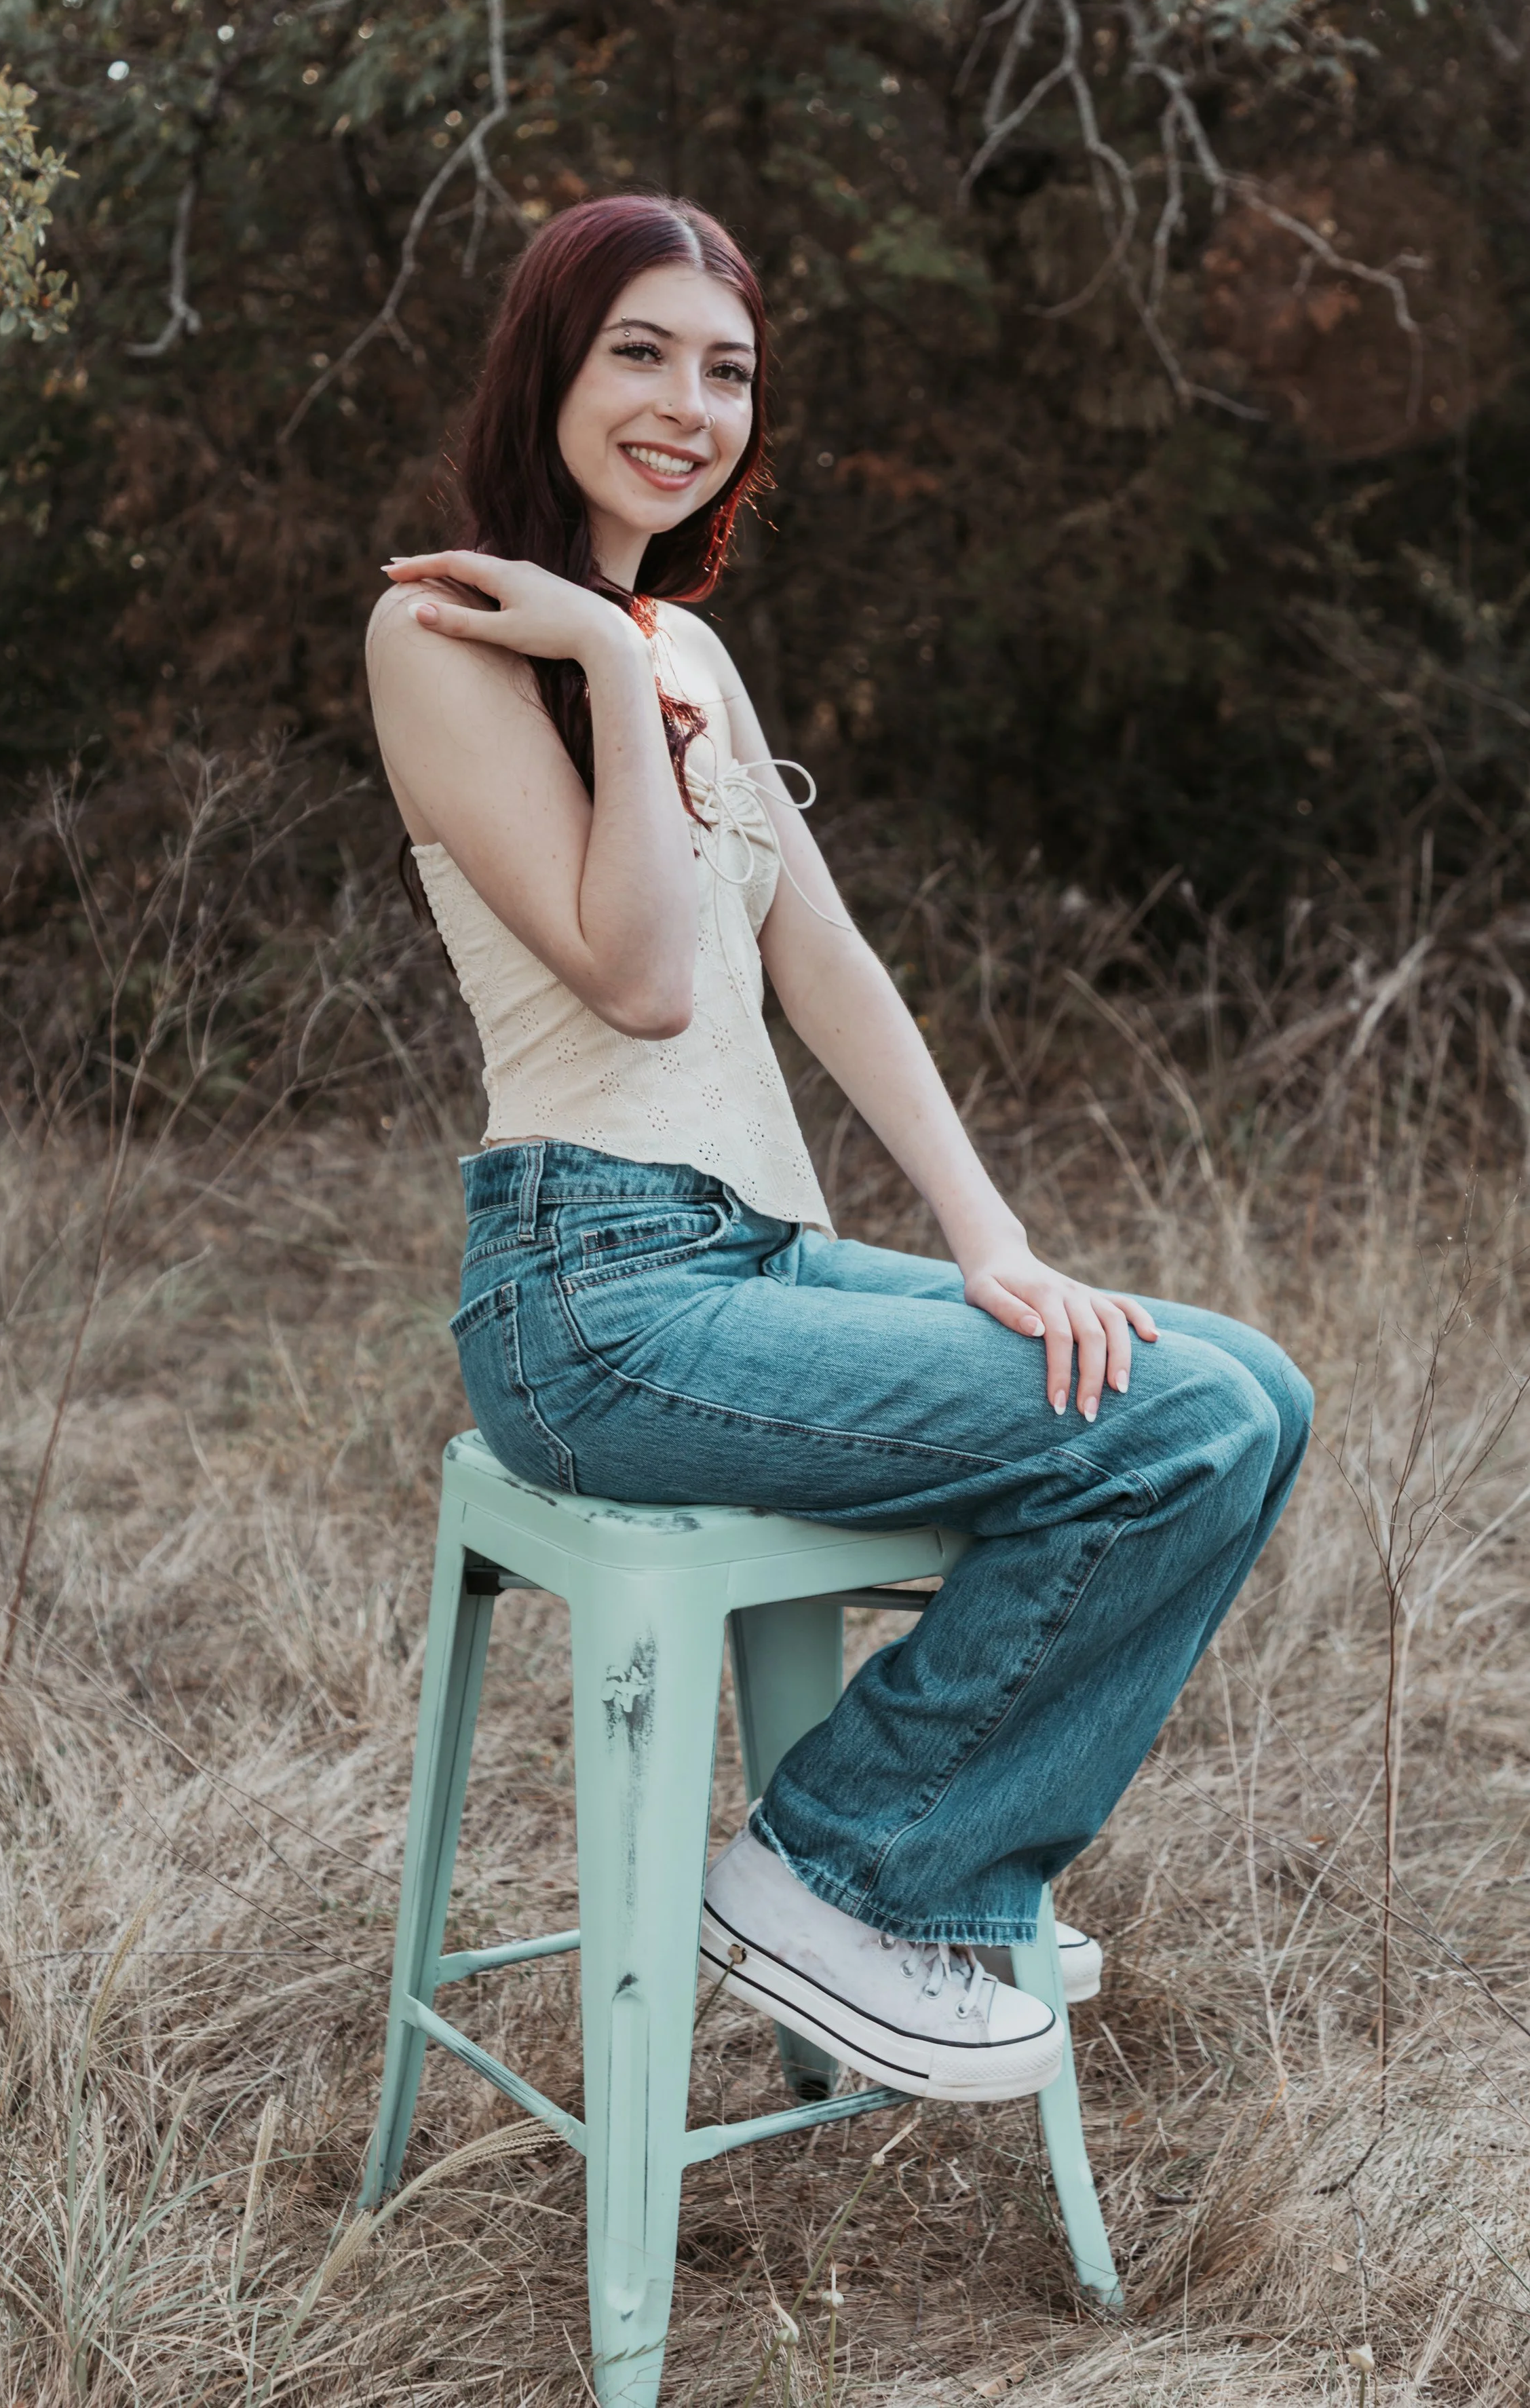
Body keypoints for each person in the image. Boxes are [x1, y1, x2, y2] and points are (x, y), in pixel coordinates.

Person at [366, 193, 1312, 2106]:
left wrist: (994, 1241)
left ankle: (922, 1863)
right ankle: (843, 1870)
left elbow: (829, 961)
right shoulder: (443, 629)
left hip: (754, 1257)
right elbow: (636, 981)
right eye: (638, 349)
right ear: (547, 361)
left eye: (724, 368)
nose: (685, 401)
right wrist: (613, 675)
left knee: (1254, 1391)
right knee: (1172, 1428)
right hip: (589, 1294)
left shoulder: (685, 641)